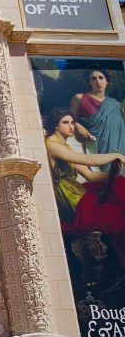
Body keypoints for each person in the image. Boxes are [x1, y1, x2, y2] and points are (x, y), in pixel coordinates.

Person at [44, 108, 125, 264]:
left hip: (77, 191)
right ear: (55, 125)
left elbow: (92, 176)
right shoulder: (52, 145)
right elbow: (90, 161)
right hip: (68, 197)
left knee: (118, 184)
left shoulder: (65, 146)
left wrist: (114, 175)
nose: (71, 126)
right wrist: (116, 155)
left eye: (73, 122)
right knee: (113, 213)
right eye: (65, 122)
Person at [69, 67, 125, 160]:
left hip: (118, 147)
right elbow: (69, 119)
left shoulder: (115, 104)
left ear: (107, 81)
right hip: (94, 147)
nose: (98, 82)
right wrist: (77, 125)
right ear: (89, 82)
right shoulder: (79, 98)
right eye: (93, 78)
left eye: (101, 78)